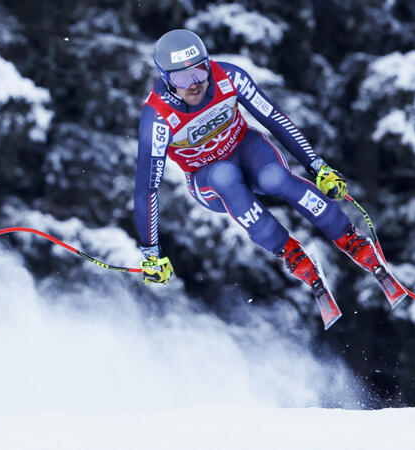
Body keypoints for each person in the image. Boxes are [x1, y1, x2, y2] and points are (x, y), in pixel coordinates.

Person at [134, 29, 383, 314]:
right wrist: (150, 253)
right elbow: (147, 189)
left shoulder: (229, 77)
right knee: (225, 175)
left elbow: (274, 118)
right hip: (208, 179)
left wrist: (318, 167)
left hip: (246, 150)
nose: (195, 85)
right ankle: (290, 252)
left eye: (200, 72)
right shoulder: (157, 118)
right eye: (182, 78)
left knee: (275, 178)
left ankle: (348, 236)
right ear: (166, 80)